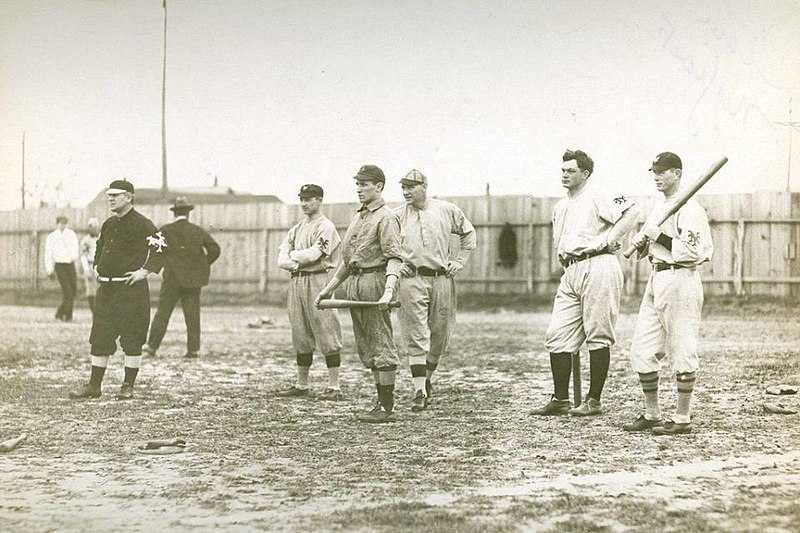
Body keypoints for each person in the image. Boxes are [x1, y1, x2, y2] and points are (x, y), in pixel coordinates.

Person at [532, 149, 639, 416]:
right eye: (563, 170)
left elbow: (632, 211)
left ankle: (594, 400)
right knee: (556, 336)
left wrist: (609, 238)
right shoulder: (561, 206)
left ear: (585, 173)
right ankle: (560, 399)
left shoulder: (599, 194)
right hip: (571, 270)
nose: (565, 175)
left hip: (599, 264)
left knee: (598, 333)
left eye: (570, 170)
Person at [624, 152, 713, 435]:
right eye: (654, 171)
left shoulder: (690, 209)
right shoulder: (662, 206)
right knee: (642, 348)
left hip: (681, 279)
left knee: (682, 348)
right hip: (656, 276)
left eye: (662, 172)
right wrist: (642, 243)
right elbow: (654, 243)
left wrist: (656, 237)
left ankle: (683, 418)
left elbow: (691, 252)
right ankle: (652, 414)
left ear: (677, 173)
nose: (656, 176)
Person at [315, 165, 402, 423]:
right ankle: (380, 402)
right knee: (367, 345)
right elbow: (347, 260)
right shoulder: (359, 217)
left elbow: (395, 257)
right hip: (355, 282)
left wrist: (388, 292)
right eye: (358, 184)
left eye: (365, 184)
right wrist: (328, 289)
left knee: (380, 341)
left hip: (375, 282)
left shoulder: (386, 217)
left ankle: (387, 407)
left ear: (379, 186)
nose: (359, 189)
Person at [69, 179, 165, 401]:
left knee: (132, 337)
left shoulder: (143, 224)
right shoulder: (109, 224)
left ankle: (127, 386)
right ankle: (94, 386)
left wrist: (145, 271)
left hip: (130, 290)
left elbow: (161, 247)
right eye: (109, 195)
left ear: (129, 197)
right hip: (107, 289)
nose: (110, 198)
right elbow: (100, 247)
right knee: (100, 335)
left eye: (116, 195)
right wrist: (96, 265)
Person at [395, 169, 476, 411]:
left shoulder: (446, 210)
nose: (406, 192)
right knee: (416, 334)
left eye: (411, 186)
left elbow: (468, 234)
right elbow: (386, 246)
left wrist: (459, 261)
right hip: (411, 280)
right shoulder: (397, 216)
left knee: (439, 335)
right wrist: (399, 265)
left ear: (424, 186)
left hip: (441, 278)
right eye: (404, 187)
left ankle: (427, 379)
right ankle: (419, 390)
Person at [276, 184, 344, 400]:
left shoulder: (326, 227)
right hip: (297, 281)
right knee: (300, 331)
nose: (305, 203)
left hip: (318, 281)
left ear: (319, 200)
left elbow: (314, 255)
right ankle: (301, 384)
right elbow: (281, 259)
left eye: (310, 199)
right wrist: (296, 262)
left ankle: (334, 386)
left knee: (326, 328)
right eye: (302, 199)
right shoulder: (296, 228)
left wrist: (294, 257)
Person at [144, 197, 221, 358]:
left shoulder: (165, 230)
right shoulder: (197, 231)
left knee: (162, 314)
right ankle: (193, 350)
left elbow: (154, 250)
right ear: (188, 213)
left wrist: (164, 263)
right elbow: (215, 249)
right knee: (192, 315)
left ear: (175, 213)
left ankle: (151, 347)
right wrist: (203, 264)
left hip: (172, 279)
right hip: (193, 281)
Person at [45, 216, 79, 321]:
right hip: (59, 265)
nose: (63, 225)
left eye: (65, 223)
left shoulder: (71, 234)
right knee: (67, 292)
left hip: (70, 264)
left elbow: (75, 248)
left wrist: (73, 258)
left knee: (73, 290)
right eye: (61, 223)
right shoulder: (51, 237)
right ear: (57, 224)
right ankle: (68, 316)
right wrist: (49, 270)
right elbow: (48, 254)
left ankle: (59, 313)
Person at [79, 217, 101, 314]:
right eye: (91, 227)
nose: (93, 229)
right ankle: (94, 312)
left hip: (101, 265)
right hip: (90, 264)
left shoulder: (102, 238)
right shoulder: (85, 240)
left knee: (102, 289)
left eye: (95, 226)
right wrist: (87, 270)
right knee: (90, 290)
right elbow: (83, 256)